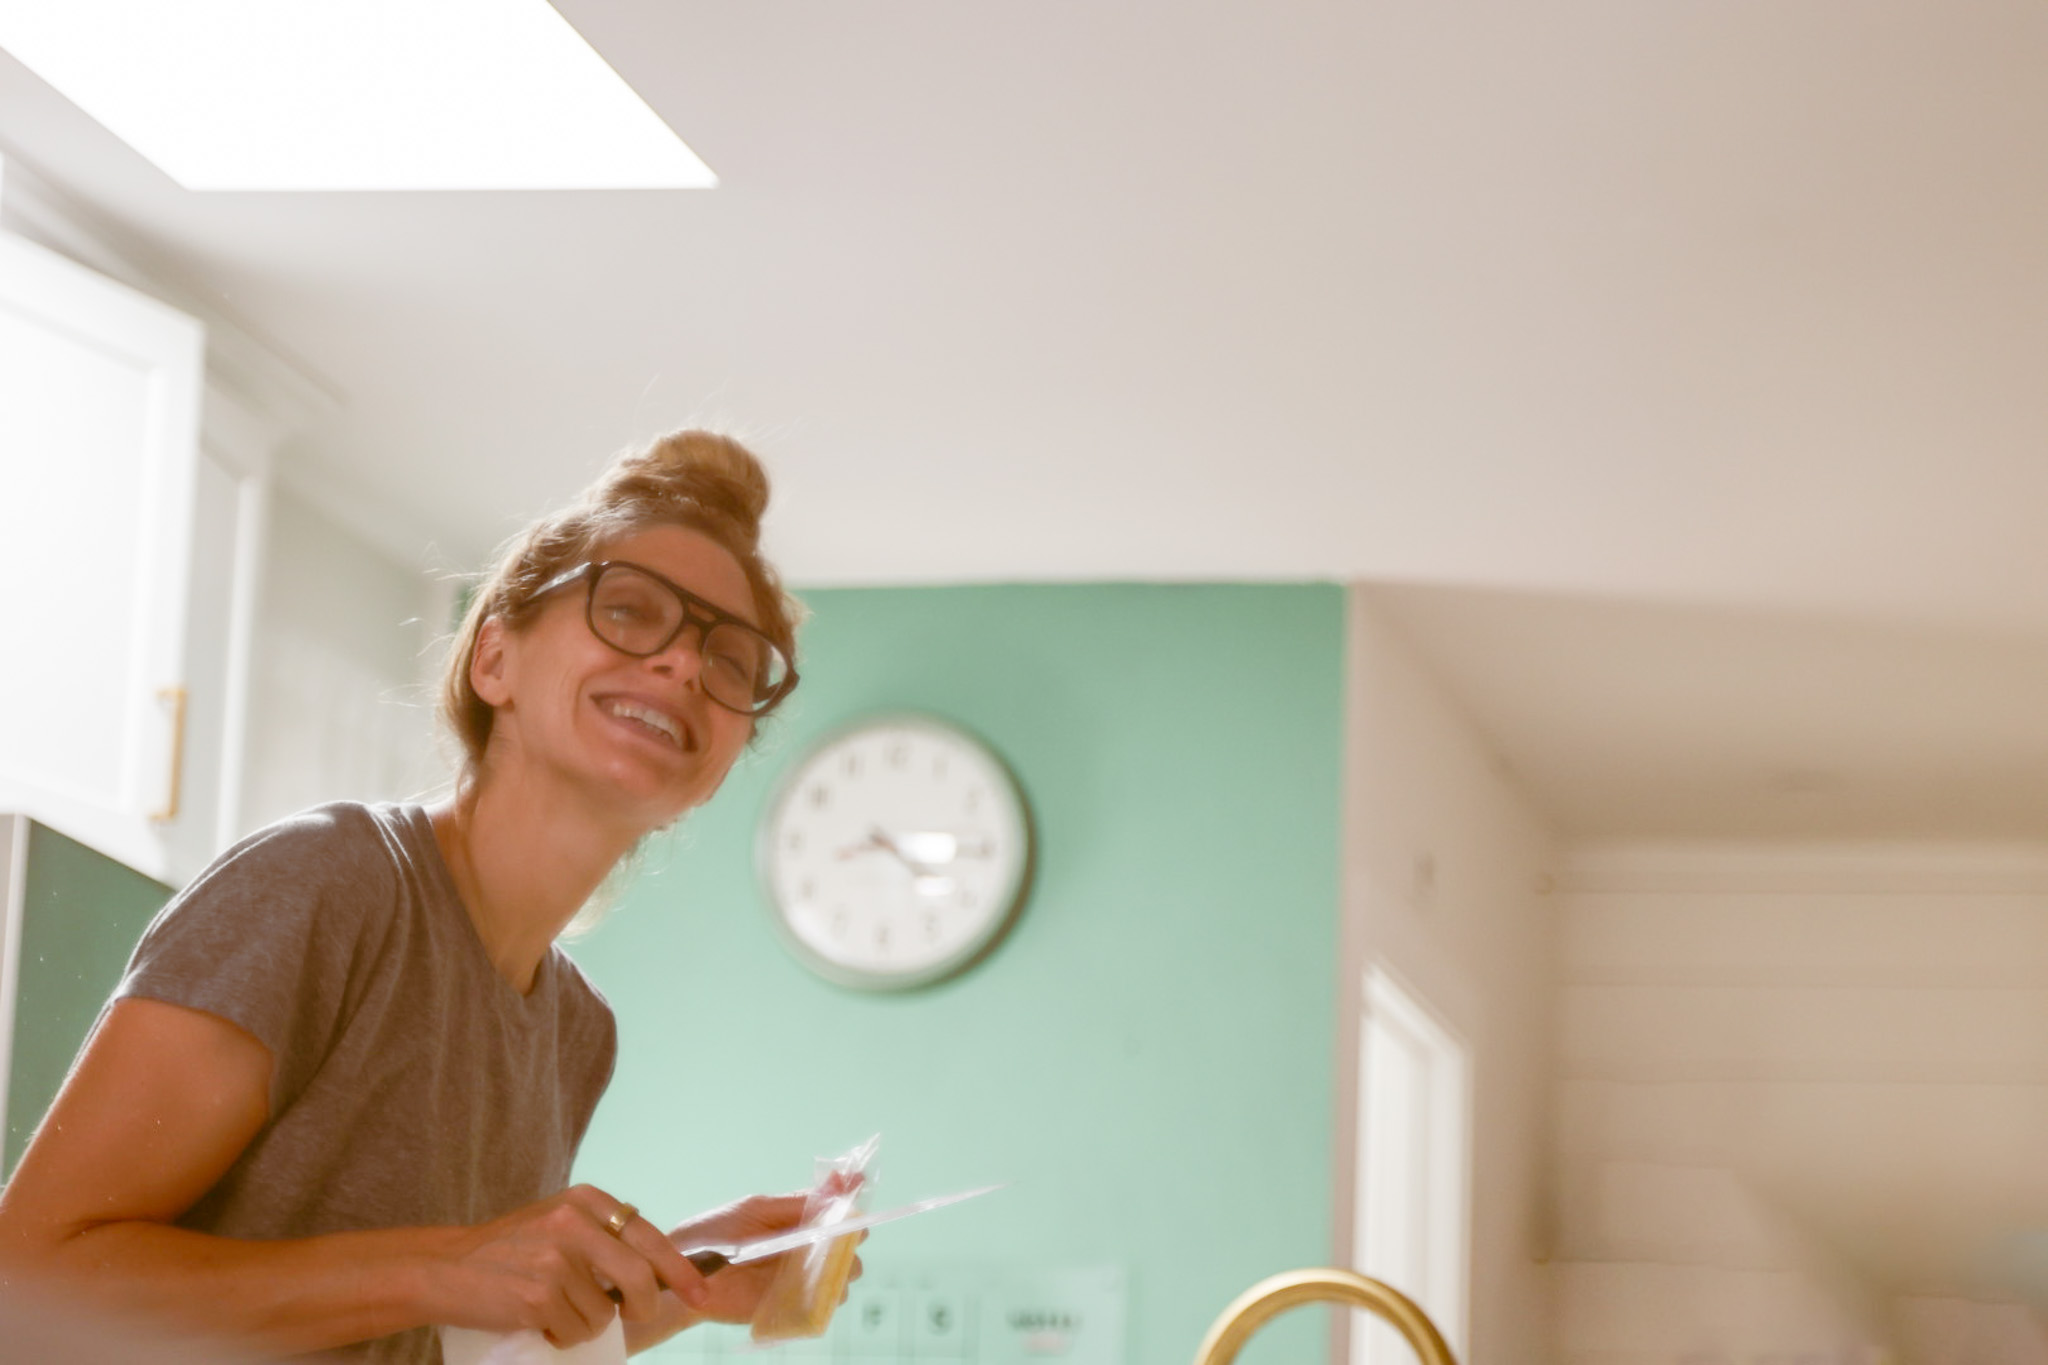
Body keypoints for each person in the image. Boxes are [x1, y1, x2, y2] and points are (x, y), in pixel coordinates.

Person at [0, 430, 842, 1362]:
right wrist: (448, 1264)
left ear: (719, 765)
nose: (685, 666)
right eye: (631, 610)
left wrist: (680, 1272)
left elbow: (441, 1335)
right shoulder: (328, 883)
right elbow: (27, 1284)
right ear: (494, 661)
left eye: (731, 660)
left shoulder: (576, 1032)